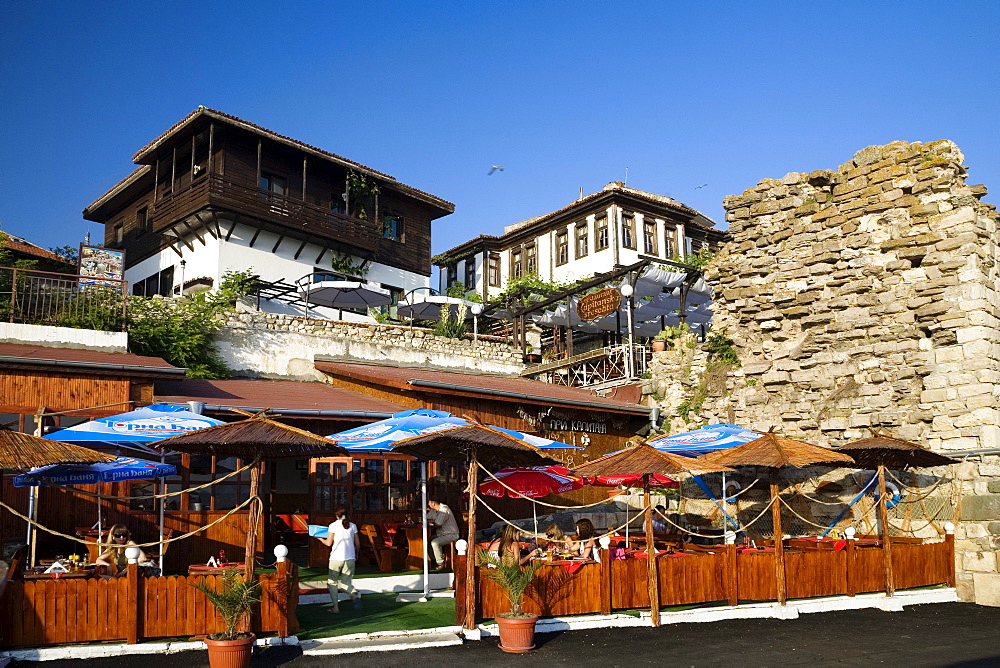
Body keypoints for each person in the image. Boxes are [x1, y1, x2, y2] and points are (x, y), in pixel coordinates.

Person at [316, 505, 360, 613]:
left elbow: (328, 543)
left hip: (336, 558)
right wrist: (356, 553)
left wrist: (319, 538)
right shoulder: (353, 526)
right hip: (350, 557)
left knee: (332, 583)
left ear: (336, 515)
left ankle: (335, 607)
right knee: (345, 582)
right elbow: (357, 543)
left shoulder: (333, 526)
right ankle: (353, 594)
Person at [426, 499, 460, 570]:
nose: (428, 505)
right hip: (442, 533)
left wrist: (432, 521)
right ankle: (434, 561)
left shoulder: (444, 509)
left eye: (429, 503)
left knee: (435, 543)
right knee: (429, 540)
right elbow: (426, 518)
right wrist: (431, 521)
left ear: (433, 503)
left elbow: (438, 524)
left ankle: (440, 563)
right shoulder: (434, 510)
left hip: (451, 534)